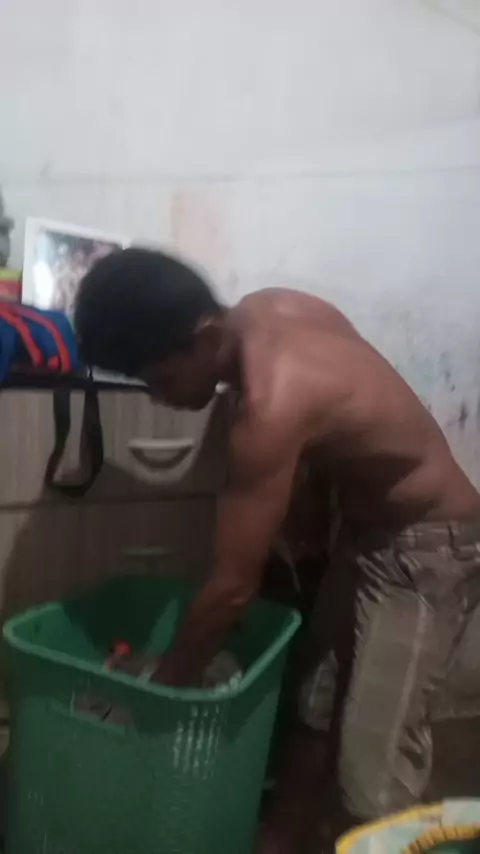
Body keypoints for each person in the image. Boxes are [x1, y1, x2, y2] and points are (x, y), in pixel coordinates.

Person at [75, 247, 480, 853]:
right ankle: (279, 842)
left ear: (204, 336)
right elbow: (347, 403)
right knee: (314, 711)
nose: (160, 398)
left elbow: (231, 590)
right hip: (365, 533)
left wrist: (160, 693)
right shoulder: (272, 308)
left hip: (429, 550)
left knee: (373, 772)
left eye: (162, 381)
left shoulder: (268, 409)